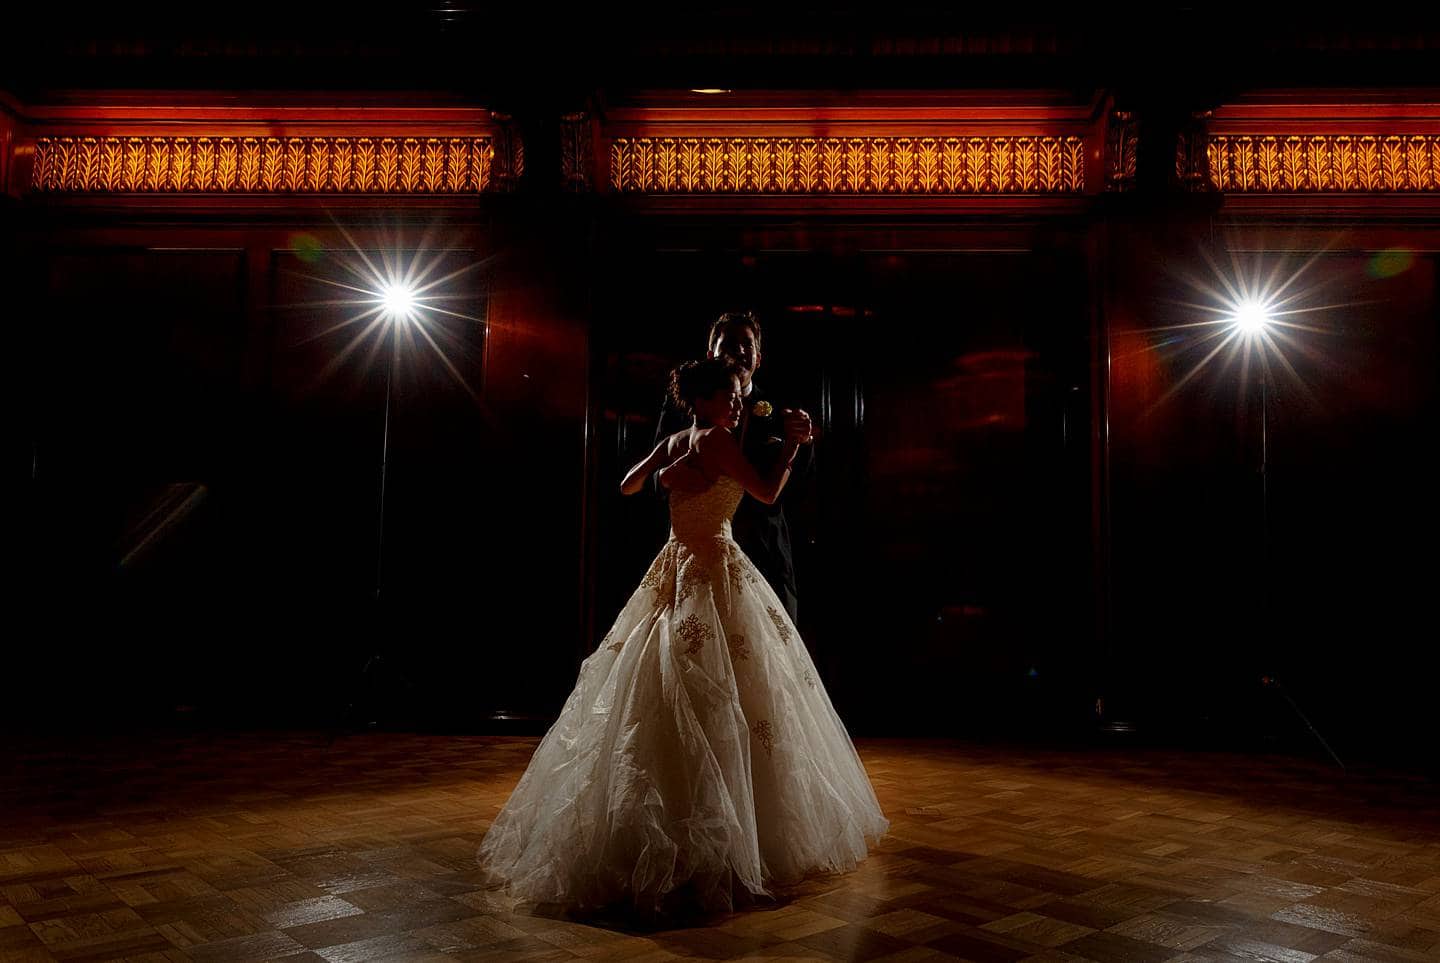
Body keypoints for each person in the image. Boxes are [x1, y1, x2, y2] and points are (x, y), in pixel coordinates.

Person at [477, 358, 887, 918]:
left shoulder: (676, 439)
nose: (739, 403)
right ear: (704, 400)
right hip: (712, 563)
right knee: (724, 690)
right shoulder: (716, 440)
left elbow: (627, 485)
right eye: (731, 395)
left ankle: (671, 826)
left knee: (667, 682)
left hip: (673, 562)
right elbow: (766, 494)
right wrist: (790, 450)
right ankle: (723, 837)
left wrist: (670, 469)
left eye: (740, 395)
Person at [654, 311, 812, 624]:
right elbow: (653, 474)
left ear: (759, 357)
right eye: (729, 344)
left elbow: (801, 486)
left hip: (766, 560)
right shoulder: (683, 407)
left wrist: (802, 442)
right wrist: (664, 478)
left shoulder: (781, 410)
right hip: (696, 561)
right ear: (711, 353)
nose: (739, 351)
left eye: (747, 344)